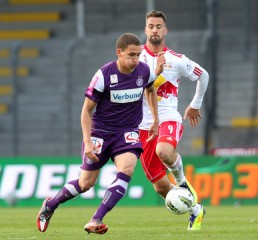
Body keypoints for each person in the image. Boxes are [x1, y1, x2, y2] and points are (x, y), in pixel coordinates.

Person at [36, 33, 165, 235]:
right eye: (131, 55)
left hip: (127, 131)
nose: (135, 60)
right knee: (85, 183)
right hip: (100, 132)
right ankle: (51, 204)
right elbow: (86, 110)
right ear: (119, 53)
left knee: (127, 170)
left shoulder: (143, 70)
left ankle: (96, 218)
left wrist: (155, 120)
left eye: (138, 55)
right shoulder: (104, 75)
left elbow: (150, 89)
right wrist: (88, 142)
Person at [138, 10, 209, 231]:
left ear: (165, 30)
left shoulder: (176, 59)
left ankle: (183, 184)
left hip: (169, 118)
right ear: (145, 30)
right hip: (142, 126)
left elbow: (203, 75)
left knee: (164, 152)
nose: (155, 30)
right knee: (160, 187)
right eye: (151, 26)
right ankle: (196, 210)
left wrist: (195, 104)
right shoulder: (135, 56)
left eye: (159, 26)